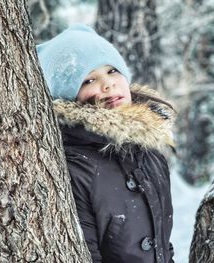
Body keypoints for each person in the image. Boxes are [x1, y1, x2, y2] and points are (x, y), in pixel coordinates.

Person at [37, 24, 175, 263]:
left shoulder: (151, 154)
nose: (107, 84)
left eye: (112, 71)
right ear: (69, 95)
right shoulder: (76, 167)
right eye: (89, 79)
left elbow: (162, 244)